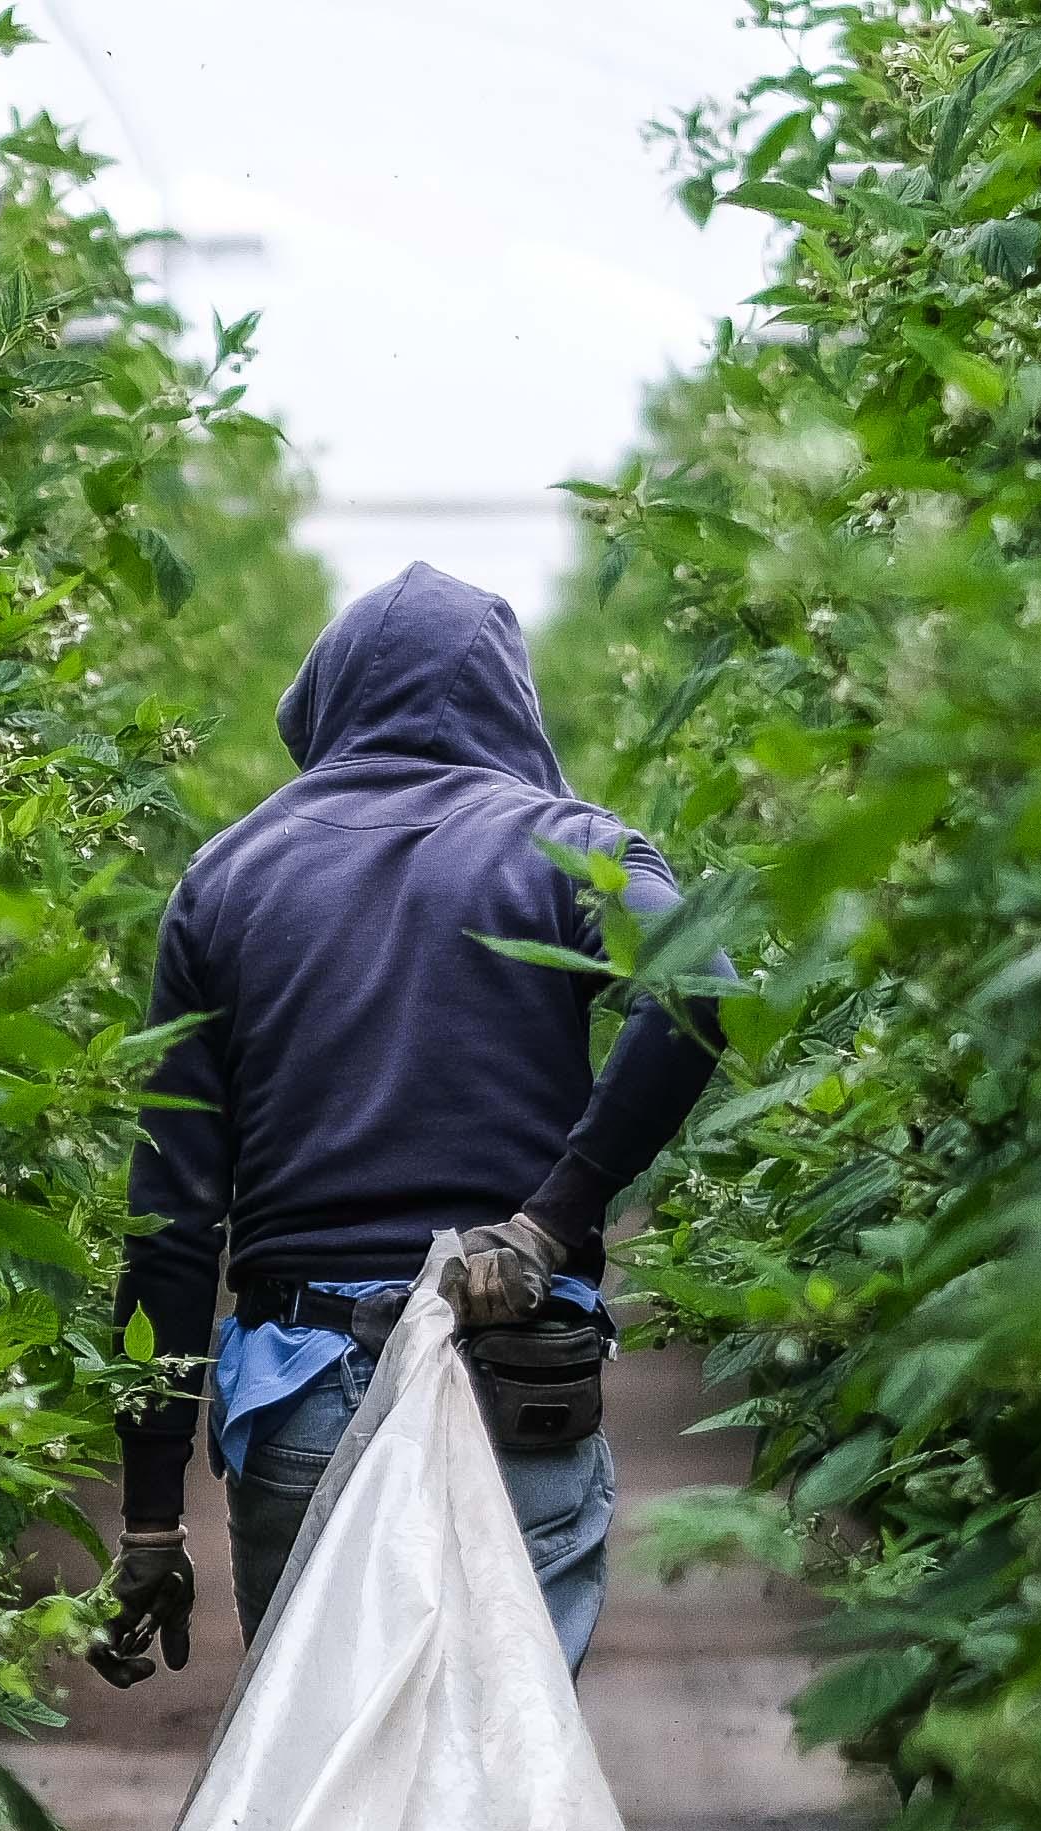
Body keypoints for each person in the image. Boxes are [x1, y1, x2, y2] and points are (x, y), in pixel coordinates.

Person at [87, 563, 727, 1684]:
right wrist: (546, 1223)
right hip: (510, 1378)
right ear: (510, 704)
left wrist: (149, 1522)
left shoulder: (224, 880)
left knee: (322, 1806)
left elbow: (174, 1221)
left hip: (301, 1403)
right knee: (505, 1796)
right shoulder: (569, 846)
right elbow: (700, 987)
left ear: (324, 702)